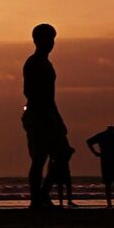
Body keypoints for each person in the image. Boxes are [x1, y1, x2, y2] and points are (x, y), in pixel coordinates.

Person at [21, 23, 65, 211]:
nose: (50, 43)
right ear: (37, 40)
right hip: (38, 114)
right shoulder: (34, 62)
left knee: (61, 154)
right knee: (39, 158)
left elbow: (50, 95)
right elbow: (30, 91)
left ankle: (43, 194)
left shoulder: (46, 63)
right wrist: (45, 114)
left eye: (52, 39)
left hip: (47, 113)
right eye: (47, 39)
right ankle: (36, 199)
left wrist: (57, 118)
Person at [84, 124, 114, 207]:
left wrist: (95, 152)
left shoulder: (101, 135)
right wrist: (95, 152)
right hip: (113, 160)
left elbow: (89, 141)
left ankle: (110, 203)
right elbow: (88, 141)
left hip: (106, 160)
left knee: (109, 183)